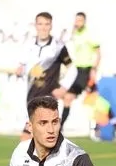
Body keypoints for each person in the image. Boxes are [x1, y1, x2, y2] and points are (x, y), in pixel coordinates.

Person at [15, 12, 78, 141]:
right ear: (35, 26)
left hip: (48, 99)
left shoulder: (58, 47)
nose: (43, 27)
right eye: (40, 24)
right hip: (31, 97)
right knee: (30, 142)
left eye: (46, 24)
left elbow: (72, 69)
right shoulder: (28, 46)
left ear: (51, 26)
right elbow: (23, 68)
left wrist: (64, 88)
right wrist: (21, 70)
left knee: (29, 139)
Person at [57, 12, 101, 127]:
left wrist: (94, 70)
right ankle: (59, 126)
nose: (78, 22)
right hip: (74, 70)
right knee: (64, 96)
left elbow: (98, 53)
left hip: (85, 70)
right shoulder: (74, 34)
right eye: (76, 20)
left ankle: (60, 126)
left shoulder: (89, 35)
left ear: (84, 21)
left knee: (69, 97)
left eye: (80, 20)